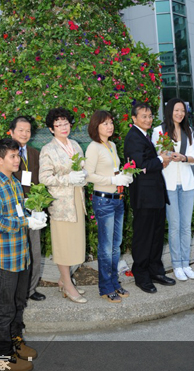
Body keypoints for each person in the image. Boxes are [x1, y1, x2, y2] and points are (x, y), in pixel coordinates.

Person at [0, 138, 46, 371]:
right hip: (5, 259)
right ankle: (2, 357)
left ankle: (15, 342)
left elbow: (18, 212)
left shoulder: (14, 183)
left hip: (21, 255)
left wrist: (34, 216)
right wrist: (25, 221)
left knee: (19, 303)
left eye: (18, 155)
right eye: (12, 156)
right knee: (3, 309)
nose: (17, 160)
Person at [123, 101, 175, 294]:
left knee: (156, 235)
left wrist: (159, 160)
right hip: (144, 197)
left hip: (155, 195)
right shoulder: (133, 137)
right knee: (144, 237)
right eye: (143, 116)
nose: (148, 119)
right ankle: (141, 274)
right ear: (134, 118)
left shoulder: (143, 135)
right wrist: (161, 159)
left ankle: (156, 271)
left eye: (150, 116)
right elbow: (141, 164)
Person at [39, 107, 88, 304]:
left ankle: (63, 279)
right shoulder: (47, 149)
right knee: (63, 244)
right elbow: (44, 178)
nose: (63, 127)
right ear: (51, 129)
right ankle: (67, 285)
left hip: (77, 198)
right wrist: (68, 178)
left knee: (75, 242)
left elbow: (84, 168)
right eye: (58, 124)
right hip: (61, 203)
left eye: (65, 123)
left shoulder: (75, 144)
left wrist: (83, 177)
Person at [85, 110, 133, 303]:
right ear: (96, 126)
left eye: (111, 122)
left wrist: (124, 176)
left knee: (116, 245)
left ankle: (114, 282)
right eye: (105, 123)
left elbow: (113, 169)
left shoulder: (111, 145)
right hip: (103, 200)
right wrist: (113, 178)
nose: (110, 126)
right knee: (106, 248)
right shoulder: (93, 147)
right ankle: (105, 287)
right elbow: (88, 176)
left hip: (117, 198)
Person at [152, 98, 194, 282]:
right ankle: (177, 264)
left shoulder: (188, 131)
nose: (179, 114)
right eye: (176, 110)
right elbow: (156, 155)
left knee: (186, 226)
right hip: (169, 183)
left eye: (182, 111)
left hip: (187, 183)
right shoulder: (159, 130)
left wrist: (184, 157)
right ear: (169, 111)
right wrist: (167, 156)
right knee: (174, 226)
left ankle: (186, 264)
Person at [9, 116, 45, 302]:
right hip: (13, 210)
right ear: (12, 132)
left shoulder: (33, 153)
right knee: (17, 251)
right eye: (21, 130)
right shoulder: (6, 152)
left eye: (28, 130)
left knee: (34, 249)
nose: (24, 134)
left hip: (32, 207)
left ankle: (31, 289)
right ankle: (16, 290)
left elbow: (38, 180)